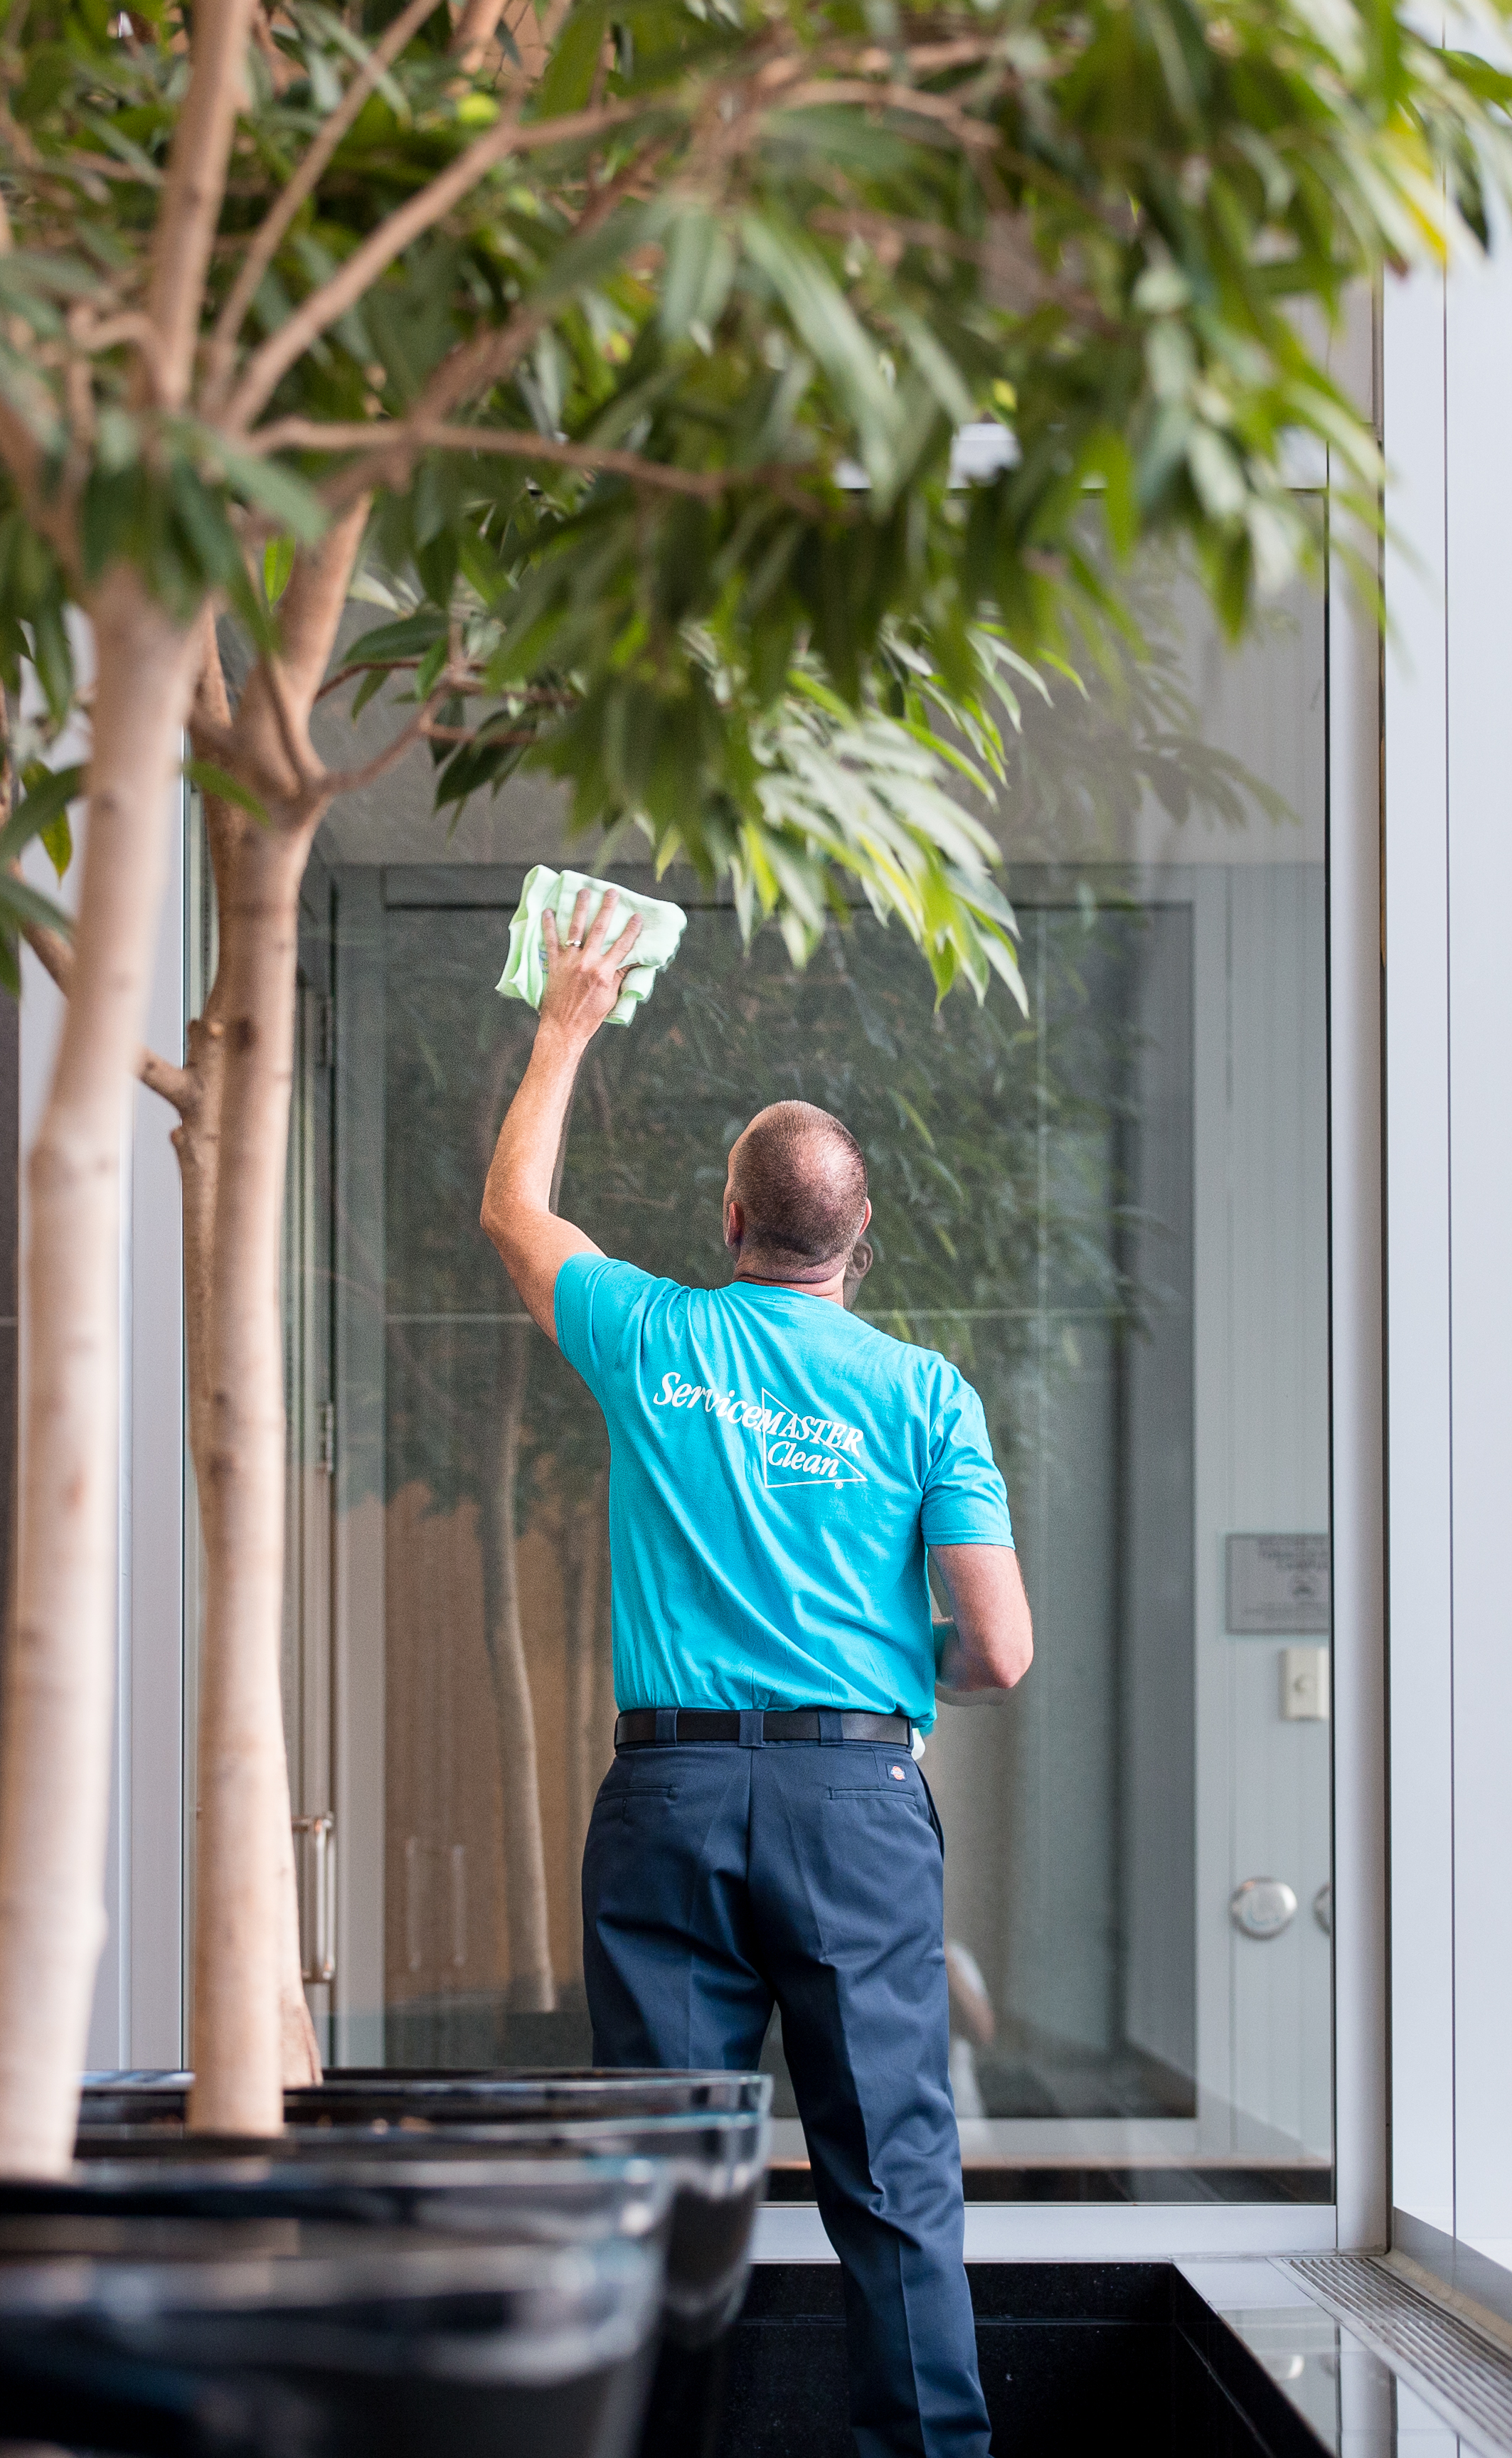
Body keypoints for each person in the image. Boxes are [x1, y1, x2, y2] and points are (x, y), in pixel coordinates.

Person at [481, 887, 1035, 2458]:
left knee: (661, 2183)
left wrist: (566, 1025)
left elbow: (516, 1211)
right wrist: (898, 1665)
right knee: (896, 2180)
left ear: (731, 1223)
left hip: (668, 1795)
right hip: (855, 1801)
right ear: (858, 1242)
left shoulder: (654, 1336)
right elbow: (1000, 1648)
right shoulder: (927, 1395)